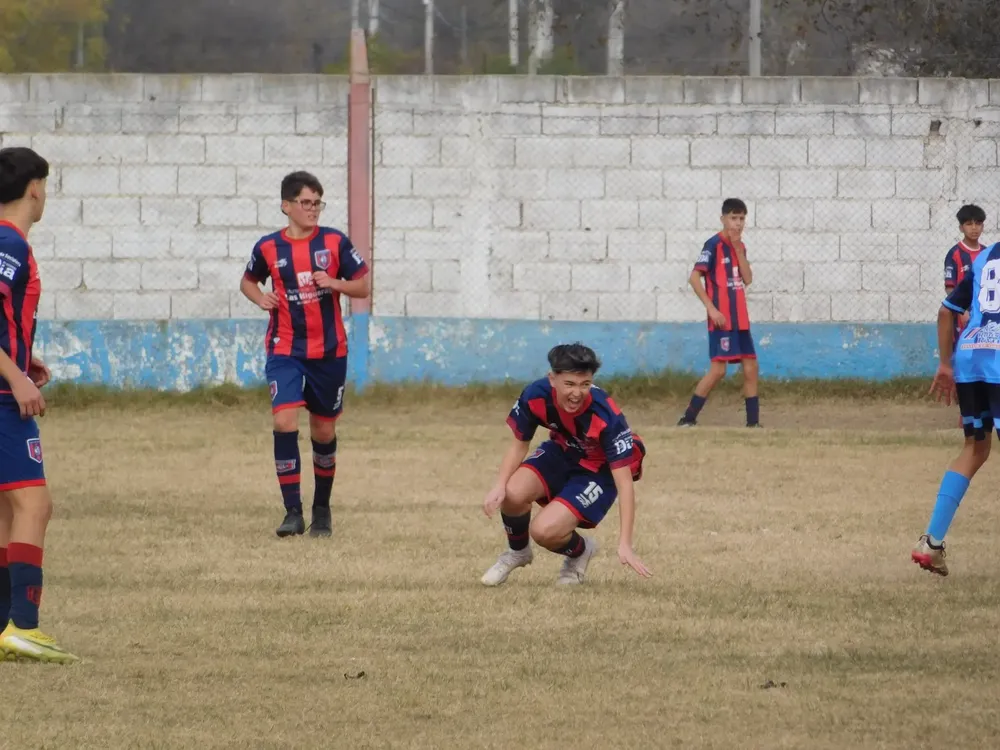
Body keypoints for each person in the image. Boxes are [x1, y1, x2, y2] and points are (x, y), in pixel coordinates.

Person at [240, 171, 369, 539]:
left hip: (329, 352)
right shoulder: (268, 247)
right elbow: (248, 281)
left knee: (323, 430)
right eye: (306, 203)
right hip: (285, 350)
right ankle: (292, 511)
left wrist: (335, 283)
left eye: (317, 203)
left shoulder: (334, 242)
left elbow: (363, 284)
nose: (313, 209)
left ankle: (322, 509)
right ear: (286, 206)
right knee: (284, 422)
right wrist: (260, 297)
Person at [480, 343, 652, 586]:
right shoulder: (535, 395)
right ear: (553, 379)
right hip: (561, 452)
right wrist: (499, 485)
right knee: (511, 493)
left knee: (544, 531)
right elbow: (519, 444)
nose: (577, 393)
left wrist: (625, 543)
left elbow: (624, 484)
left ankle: (581, 551)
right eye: (569, 384)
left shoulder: (606, 415)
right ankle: (518, 552)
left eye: (585, 384)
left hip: (598, 471)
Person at [0, 146, 78, 663]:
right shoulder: (9, 242)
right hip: (3, 397)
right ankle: (24, 626)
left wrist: (26, 361)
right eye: (45, 187)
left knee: (8, 510)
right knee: (34, 503)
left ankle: (6, 627)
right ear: (35, 187)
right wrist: (16, 378)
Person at [916, 239, 1000, 576]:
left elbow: (945, 310)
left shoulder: (986, 257)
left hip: (970, 356)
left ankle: (931, 543)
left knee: (975, 447)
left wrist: (946, 365)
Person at [678, 198, 760, 428]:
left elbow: (748, 279)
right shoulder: (712, 244)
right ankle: (688, 418)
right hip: (722, 320)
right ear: (723, 219)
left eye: (742, 218)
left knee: (751, 366)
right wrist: (711, 309)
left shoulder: (740, 246)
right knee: (718, 370)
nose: (738, 223)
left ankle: (753, 424)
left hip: (740, 319)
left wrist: (738, 250)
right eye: (733, 218)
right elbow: (694, 278)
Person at [944, 204, 986, 347]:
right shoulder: (954, 254)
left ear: (983, 227)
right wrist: (961, 311)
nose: (974, 228)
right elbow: (950, 288)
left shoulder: (988, 254)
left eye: (978, 224)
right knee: (962, 349)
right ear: (961, 228)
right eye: (969, 224)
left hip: (985, 312)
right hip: (963, 313)